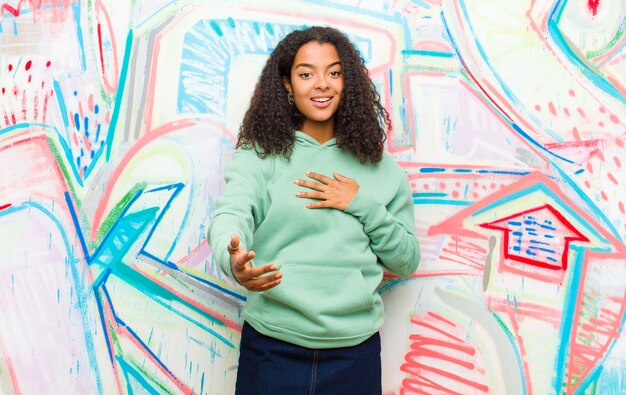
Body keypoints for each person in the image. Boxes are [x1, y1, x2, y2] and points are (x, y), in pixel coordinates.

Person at [207, 26, 420, 395]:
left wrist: (360, 203)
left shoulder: (382, 169)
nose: (321, 84)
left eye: (334, 73)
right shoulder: (260, 157)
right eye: (306, 73)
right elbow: (232, 213)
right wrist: (234, 257)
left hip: (355, 354)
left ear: (347, 81)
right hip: (272, 348)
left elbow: (406, 261)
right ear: (287, 85)